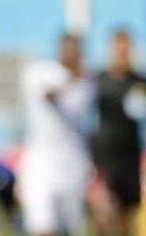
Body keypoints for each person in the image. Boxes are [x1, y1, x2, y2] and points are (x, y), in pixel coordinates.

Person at [18, 32, 94, 236]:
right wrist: (70, 81)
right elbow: (48, 96)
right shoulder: (41, 72)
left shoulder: (87, 83)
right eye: (69, 49)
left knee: (68, 228)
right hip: (43, 161)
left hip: (74, 162)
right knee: (43, 225)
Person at [90, 28, 146, 236]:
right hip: (104, 156)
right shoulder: (98, 80)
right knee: (103, 213)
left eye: (126, 47)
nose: (122, 52)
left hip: (130, 156)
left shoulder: (140, 82)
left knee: (125, 218)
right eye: (118, 47)